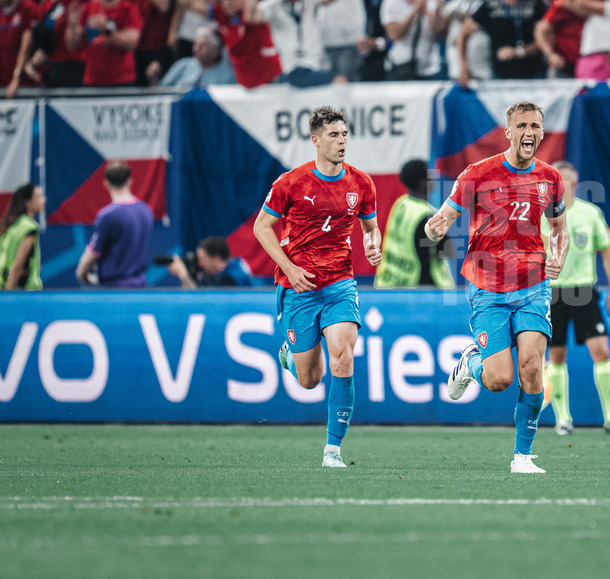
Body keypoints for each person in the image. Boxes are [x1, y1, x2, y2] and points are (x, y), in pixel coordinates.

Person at [426, 101, 569, 475]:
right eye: (521, 125)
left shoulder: (550, 178)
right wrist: (433, 227)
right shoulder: (478, 173)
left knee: (532, 367)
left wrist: (559, 256)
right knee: (499, 380)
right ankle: (471, 362)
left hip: (533, 284)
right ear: (508, 132)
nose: (528, 132)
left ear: (542, 131)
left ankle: (522, 456)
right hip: (487, 287)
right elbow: (443, 216)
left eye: (535, 126)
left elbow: (560, 230)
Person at [253, 105, 382, 468]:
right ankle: (289, 356)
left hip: (340, 282)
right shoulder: (290, 183)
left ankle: (333, 450)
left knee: (343, 355)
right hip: (299, 286)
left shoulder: (361, 183)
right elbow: (261, 228)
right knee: (310, 379)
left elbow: (371, 228)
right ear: (315, 140)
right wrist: (289, 269)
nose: (342, 141)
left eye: (344, 134)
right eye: (333, 135)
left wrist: (373, 244)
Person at [540, 161, 610, 436]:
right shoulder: (541, 216)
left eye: (569, 181)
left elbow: (607, 250)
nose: (565, 186)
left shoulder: (590, 214)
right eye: (559, 180)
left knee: (601, 351)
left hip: (584, 292)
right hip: (552, 293)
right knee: (556, 356)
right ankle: (562, 419)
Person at [374, 159, 455, 289]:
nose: (432, 177)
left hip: (390, 281)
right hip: (421, 287)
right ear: (423, 182)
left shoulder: (400, 204)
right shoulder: (427, 216)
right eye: (429, 174)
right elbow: (448, 251)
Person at [76, 162, 155, 288]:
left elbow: (93, 253)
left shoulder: (107, 216)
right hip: (141, 285)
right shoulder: (147, 211)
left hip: (114, 288)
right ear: (130, 181)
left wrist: (81, 273)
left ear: (106, 184)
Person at [0, 183, 46, 290]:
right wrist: (9, 295)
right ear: (28, 202)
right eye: (39, 196)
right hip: (24, 292)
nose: (44, 199)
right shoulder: (29, 227)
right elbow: (18, 266)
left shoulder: (7, 226)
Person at [159, 24, 237, 86]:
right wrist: (154, 78)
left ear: (216, 50)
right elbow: (160, 92)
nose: (196, 49)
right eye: (195, 45)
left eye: (202, 46)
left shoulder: (228, 73)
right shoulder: (183, 65)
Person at [166, 236, 253, 288]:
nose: (199, 264)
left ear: (216, 259)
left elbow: (198, 304)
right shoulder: (216, 275)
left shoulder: (229, 279)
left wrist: (183, 274)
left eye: (202, 259)